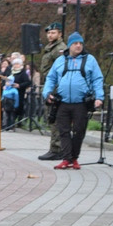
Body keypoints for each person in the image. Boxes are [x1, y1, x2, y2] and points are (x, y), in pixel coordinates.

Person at [42, 31, 103, 170]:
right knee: (62, 131)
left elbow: (97, 79)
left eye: (80, 43)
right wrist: (47, 92)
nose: (78, 46)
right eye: (75, 43)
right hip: (62, 102)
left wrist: (99, 97)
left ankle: (74, 158)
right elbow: (51, 78)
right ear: (69, 45)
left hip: (81, 102)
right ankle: (66, 158)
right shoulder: (60, 60)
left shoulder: (90, 60)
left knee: (79, 131)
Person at [38, 22, 67, 159]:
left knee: (55, 118)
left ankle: (57, 149)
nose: (50, 35)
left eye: (53, 32)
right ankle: (55, 147)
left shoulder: (60, 49)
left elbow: (60, 69)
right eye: (49, 33)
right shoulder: (50, 47)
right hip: (49, 84)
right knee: (51, 117)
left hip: (56, 86)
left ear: (60, 34)